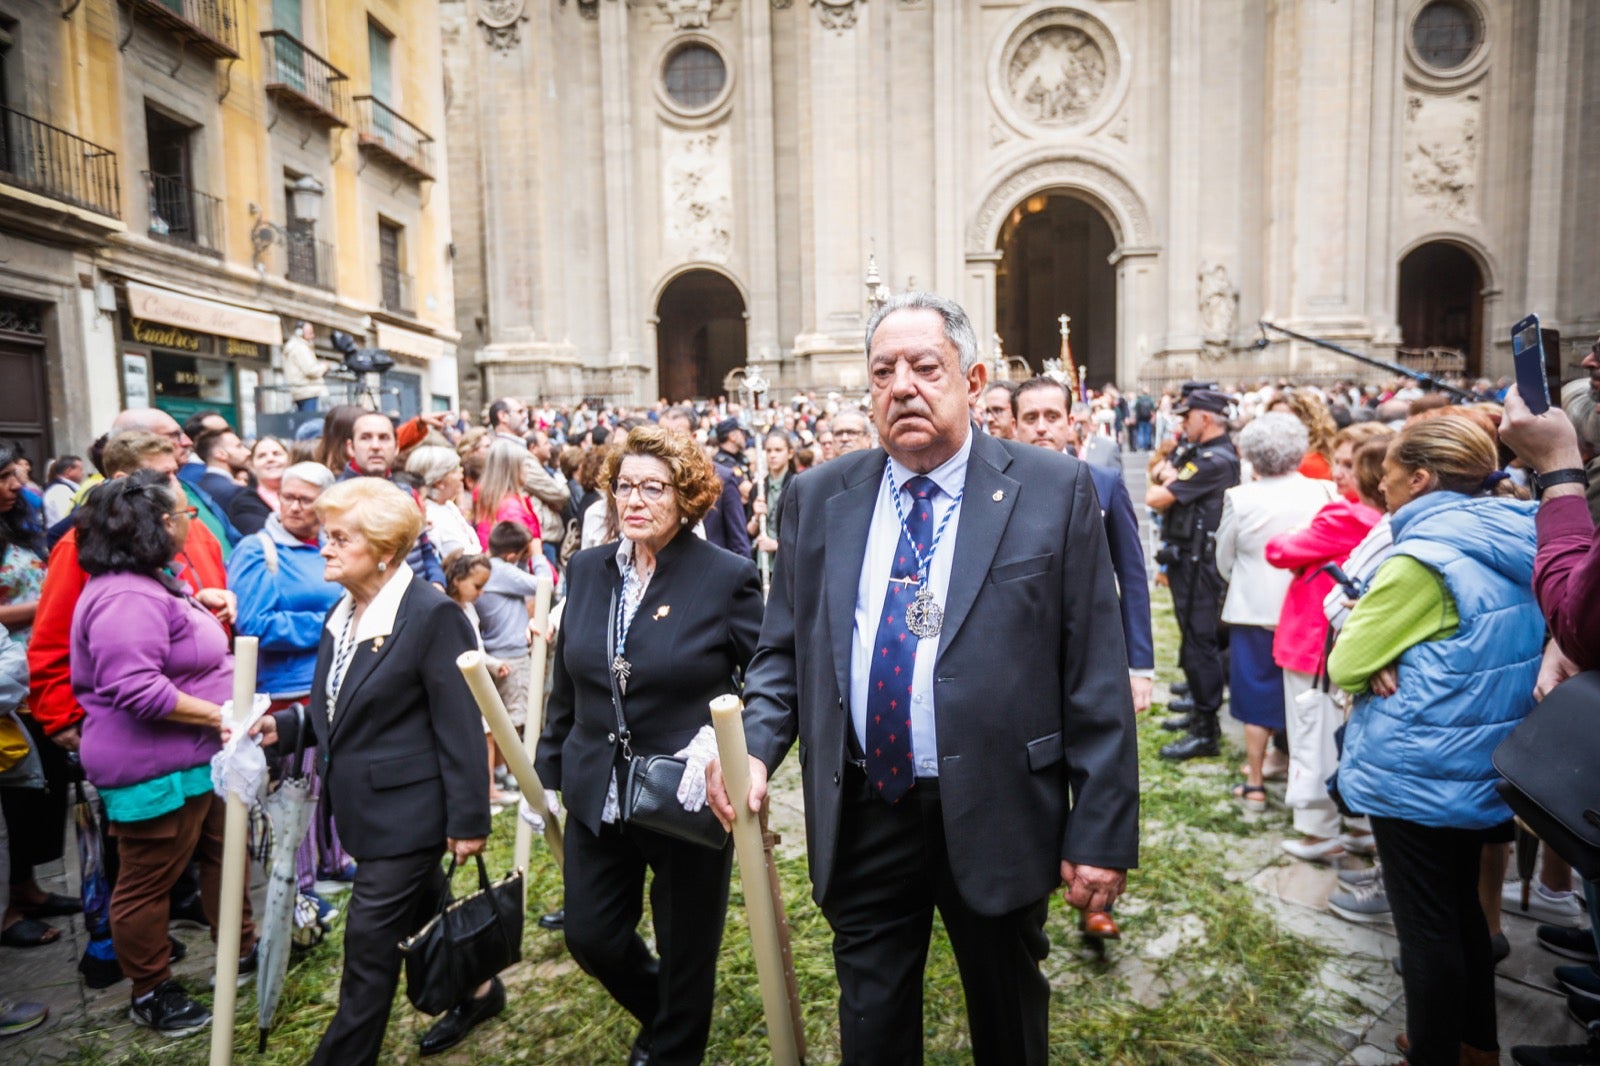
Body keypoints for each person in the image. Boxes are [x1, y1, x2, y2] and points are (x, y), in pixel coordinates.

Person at [708, 292, 1138, 1065]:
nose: (902, 385)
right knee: (871, 1032)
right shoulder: (819, 497)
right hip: (866, 807)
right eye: (883, 371)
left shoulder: (1052, 489)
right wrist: (756, 749)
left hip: (1000, 806)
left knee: (1008, 1025)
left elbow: (1094, 673)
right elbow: (784, 654)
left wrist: (1100, 829)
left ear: (973, 381)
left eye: (924, 367)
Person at [249, 477, 498, 1063]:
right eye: (325, 536)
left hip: (408, 814)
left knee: (368, 948)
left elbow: (460, 725)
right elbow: (344, 702)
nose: (323, 548)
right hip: (364, 806)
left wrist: (469, 818)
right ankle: (481, 988)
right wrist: (285, 729)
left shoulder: (431, 615)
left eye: (339, 537)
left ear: (385, 548)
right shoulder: (346, 609)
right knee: (425, 912)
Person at [536, 425, 762, 1066]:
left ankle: (673, 1049)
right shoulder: (586, 569)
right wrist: (551, 770)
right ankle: (665, 1013)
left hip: (684, 788)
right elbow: (568, 680)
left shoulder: (727, 577)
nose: (633, 500)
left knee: (687, 942)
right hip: (596, 784)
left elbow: (769, 673)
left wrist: (725, 743)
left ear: (686, 496)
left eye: (652, 488)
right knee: (591, 936)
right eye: (623, 486)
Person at [1329, 415, 1541, 1066]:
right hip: (1481, 752)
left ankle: (1433, 1051)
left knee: (1425, 929)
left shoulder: (1422, 557)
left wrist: (1372, 656)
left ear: (1420, 478)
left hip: (1418, 761)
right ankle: (1476, 1043)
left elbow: (1345, 661)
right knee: (1464, 913)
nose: (1382, 484)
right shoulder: (1522, 530)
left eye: (1389, 472)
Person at [70, 472, 258, 1035]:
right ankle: (151, 990)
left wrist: (202, 604)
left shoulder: (151, 583)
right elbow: (136, 688)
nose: (188, 522)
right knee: (147, 882)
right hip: (155, 766)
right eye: (182, 515)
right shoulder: (125, 595)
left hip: (200, 758)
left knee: (224, 855)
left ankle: (241, 951)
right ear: (156, 527)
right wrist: (224, 715)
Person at [1264, 424, 1387, 862]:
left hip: (1313, 638)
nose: (1339, 472)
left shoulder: (1344, 516)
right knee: (1349, 737)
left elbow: (1278, 550)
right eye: (1338, 460)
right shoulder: (1385, 518)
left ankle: (1318, 831)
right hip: (1354, 643)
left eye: (1350, 464)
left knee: (1311, 734)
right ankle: (1359, 826)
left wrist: (1302, 533)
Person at [1212, 413, 1336, 813]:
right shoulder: (1325, 490)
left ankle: (1255, 782)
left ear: (1251, 455)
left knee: (1256, 696)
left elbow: (1224, 556)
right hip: (1313, 610)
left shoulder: (1241, 497)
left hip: (1255, 608)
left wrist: (1244, 579)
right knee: (1309, 696)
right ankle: (1308, 782)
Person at [1146, 388, 1241, 759]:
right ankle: (1200, 713)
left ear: (1205, 418)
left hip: (1201, 566)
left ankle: (1206, 729)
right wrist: (1165, 478)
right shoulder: (1201, 454)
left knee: (1201, 642)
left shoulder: (1214, 461)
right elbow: (1161, 473)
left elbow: (1156, 496)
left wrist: (1165, 481)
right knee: (1192, 638)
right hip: (1187, 559)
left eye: (1188, 417)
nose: (1183, 423)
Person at [407, 445, 479, 560]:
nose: (461, 473)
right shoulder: (430, 516)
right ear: (439, 482)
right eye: (455, 469)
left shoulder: (447, 504)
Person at [473, 441, 541, 551]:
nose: (527, 470)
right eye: (525, 465)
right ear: (513, 469)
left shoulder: (489, 498)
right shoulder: (510, 507)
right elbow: (520, 551)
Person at [227, 435, 291, 536]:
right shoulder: (243, 504)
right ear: (251, 466)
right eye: (262, 456)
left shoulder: (304, 493)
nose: (270, 459)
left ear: (289, 460)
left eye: (277, 454)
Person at [283, 322, 328, 413]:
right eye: (310, 333)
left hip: (300, 391)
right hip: (308, 392)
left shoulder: (293, 346)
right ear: (300, 332)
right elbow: (311, 370)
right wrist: (324, 367)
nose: (313, 336)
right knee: (310, 422)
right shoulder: (300, 347)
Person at [41, 455, 84, 528]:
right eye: (81, 469)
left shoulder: (65, 489)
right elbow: (66, 520)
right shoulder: (60, 491)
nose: (83, 473)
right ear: (69, 471)